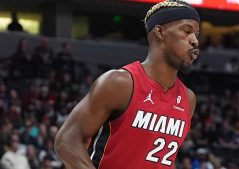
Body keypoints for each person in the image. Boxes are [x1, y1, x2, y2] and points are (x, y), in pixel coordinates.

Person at [54, 0, 200, 168]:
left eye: (196, 34)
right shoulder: (120, 83)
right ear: (160, 32)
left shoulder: (188, 99)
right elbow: (66, 140)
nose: (195, 41)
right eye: (187, 31)